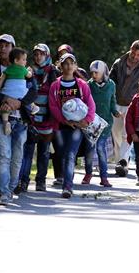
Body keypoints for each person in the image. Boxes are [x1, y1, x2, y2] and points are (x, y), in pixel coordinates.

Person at [0, 34, 37, 205]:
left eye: (7, 45)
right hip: (0, 117)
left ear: (13, 48)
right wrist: (6, 100)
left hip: (21, 119)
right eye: (1, 45)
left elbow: (33, 91)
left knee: (17, 156)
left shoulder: (24, 68)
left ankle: (12, 187)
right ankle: (3, 192)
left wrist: (19, 103)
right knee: (3, 155)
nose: (3, 48)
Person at [48, 53, 96, 198]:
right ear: (60, 66)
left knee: (70, 155)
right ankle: (66, 179)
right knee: (62, 155)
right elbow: (53, 106)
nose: (68, 66)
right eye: (65, 63)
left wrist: (86, 120)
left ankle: (67, 186)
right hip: (61, 127)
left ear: (75, 65)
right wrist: (64, 120)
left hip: (78, 127)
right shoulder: (55, 85)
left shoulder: (82, 85)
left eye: (71, 63)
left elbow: (90, 104)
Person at [16, 44, 59, 193]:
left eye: (41, 54)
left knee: (44, 152)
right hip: (31, 118)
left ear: (47, 55)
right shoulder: (28, 71)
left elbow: (56, 94)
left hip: (47, 118)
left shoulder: (53, 71)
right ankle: (23, 181)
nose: (38, 57)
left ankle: (41, 181)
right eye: (36, 54)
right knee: (27, 151)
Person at [109, 40, 139, 176]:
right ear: (130, 49)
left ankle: (123, 162)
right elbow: (111, 82)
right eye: (134, 53)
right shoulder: (119, 63)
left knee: (126, 135)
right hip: (117, 102)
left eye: (138, 55)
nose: (135, 57)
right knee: (116, 134)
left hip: (133, 105)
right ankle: (120, 162)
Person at [83, 60, 119, 188]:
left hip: (105, 123)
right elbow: (85, 101)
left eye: (96, 72)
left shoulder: (111, 85)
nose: (94, 74)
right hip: (92, 123)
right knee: (90, 150)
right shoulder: (89, 85)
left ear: (103, 72)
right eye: (92, 72)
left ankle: (104, 177)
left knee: (100, 149)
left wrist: (115, 112)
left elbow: (112, 101)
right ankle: (88, 173)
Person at [0, 48, 37, 135]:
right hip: (20, 92)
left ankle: (5, 122)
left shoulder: (7, 69)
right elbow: (29, 76)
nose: (25, 62)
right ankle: (33, 106)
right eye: (24, 59)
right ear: (16, 60)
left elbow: (1, 79)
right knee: (27, 94)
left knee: (5, 107)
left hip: (8, 92)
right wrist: (29, 71)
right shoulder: (23, 69)